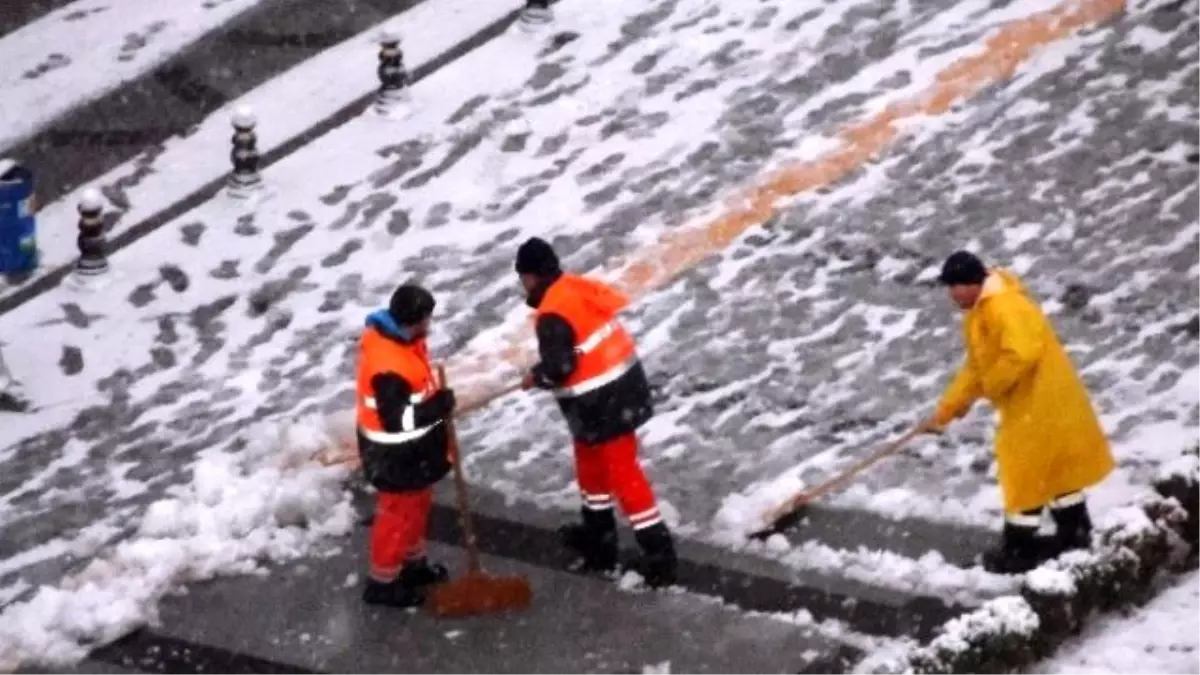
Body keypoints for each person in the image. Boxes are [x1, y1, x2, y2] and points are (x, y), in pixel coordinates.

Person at [918, 251, 1116, 574]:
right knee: (1054, 469)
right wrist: (949, 408)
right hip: (1039, 402)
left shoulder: (1003, 306)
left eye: (955, 286)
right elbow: (976, 368)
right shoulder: (982, 311)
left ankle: (1019, 547)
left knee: (1022, 471)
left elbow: (1020, 352)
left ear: (972, 283)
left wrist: (992, 385)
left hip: (1039, 403)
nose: (951, 294)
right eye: (949, 287)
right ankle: (1075, 533)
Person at [514, 237, 678, 588]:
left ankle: (660, 554)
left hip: (602, 401)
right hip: (619, 389)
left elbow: (561, 365)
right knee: (590, 469)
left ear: (529, 277)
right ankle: (598, 539)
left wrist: (536, 376)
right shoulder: (573, 288)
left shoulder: (551, 314)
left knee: (624, 476)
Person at [355, 284, 457, 607]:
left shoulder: (403, 342)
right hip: (394, 453)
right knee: (396, 514)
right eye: (426, 320)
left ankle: (412, 564)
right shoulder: (389, 365)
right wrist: (435, 408)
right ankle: (383, 582)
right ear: (413, 321)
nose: (429, 326)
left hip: (412, 452)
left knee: (417, 505)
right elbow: (397, 419)